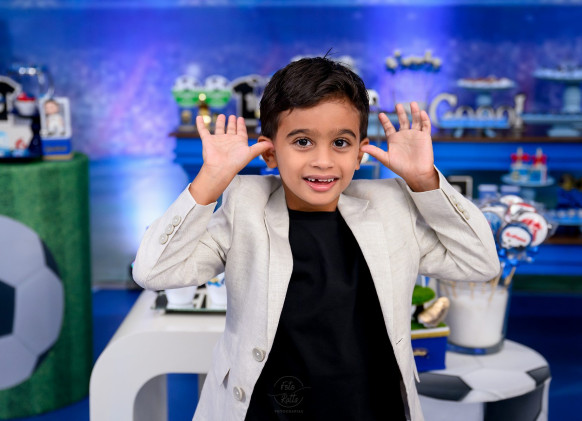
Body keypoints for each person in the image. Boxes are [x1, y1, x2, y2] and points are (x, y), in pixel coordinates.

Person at [133, 57, 499, 421]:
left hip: (371, 410)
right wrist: (210, 181)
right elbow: (153, 272)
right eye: (303, 141)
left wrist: (424, 181)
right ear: (270, 152)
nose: (323, 161)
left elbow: (480, 263)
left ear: (360, 152)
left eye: (340, 142)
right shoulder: (246, 206)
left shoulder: (390, 208)